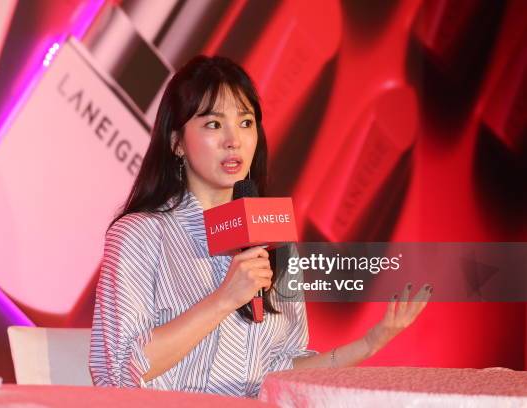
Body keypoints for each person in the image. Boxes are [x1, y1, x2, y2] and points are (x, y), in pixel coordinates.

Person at [89, 55, 431, 398]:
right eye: (213, 124)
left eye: (246, 122)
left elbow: (281, 372)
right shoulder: (138, 234)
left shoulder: (274, 240)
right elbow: (120, 372)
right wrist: (224, 299)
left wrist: (370, 344)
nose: (233, 140)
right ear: (176, 141)